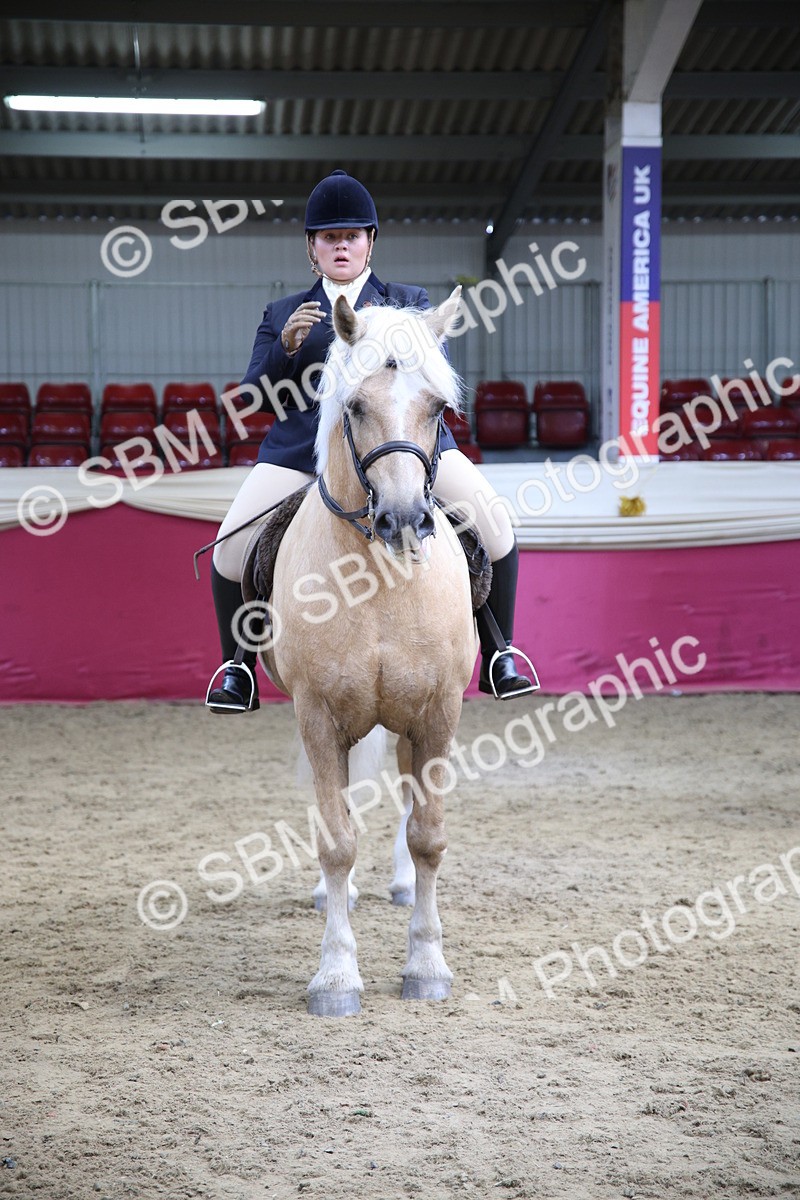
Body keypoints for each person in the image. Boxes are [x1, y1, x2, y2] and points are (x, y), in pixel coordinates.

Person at [207, 169, 534, 712]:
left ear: (370, 242)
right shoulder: (284, 314)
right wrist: (284, 354)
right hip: (301, 452)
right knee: (228, 548)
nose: (341, 246)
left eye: (351, 236)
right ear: (312, 248)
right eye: (330, 238)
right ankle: (237, 666)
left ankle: (502, 651)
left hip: (401, 445)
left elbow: (432, 384)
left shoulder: (409, 301)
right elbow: (252, 398)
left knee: (494, 524)